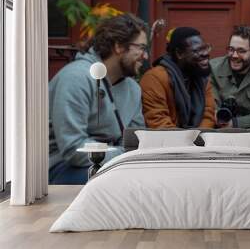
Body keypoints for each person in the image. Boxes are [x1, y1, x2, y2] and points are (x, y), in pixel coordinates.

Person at [49, 13, 148, 184]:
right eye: (140, 48)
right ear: (118, 46)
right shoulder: (76, 78)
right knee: (126, 182)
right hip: (60, 167)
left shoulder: (132, 89)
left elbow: (135, 141)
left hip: (111, 165)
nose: (145, 56)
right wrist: (124, 154)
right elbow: (74, 149)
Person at [140, 27, 215, 128]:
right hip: (167, 141)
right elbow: (158, 122)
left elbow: (208, 117)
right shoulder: (154, 79)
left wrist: (199, 139)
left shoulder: (203, 79)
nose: (205, 54)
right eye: (197, 50)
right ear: (179, 53)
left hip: (198, 141)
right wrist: (190, 141)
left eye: (205, 48)